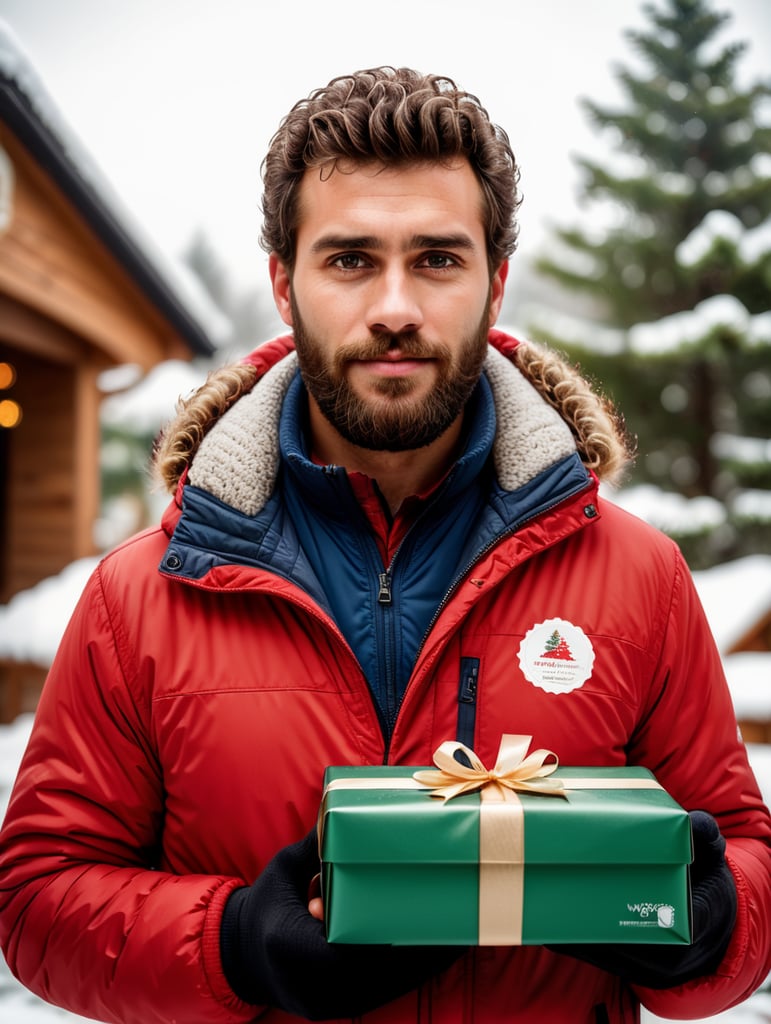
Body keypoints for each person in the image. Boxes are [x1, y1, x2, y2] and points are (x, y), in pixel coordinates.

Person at [0, 66, 769, 1024]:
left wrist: (709, 923)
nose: (395, 307)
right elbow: (37, 899)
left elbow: (742, 854)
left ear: (494, 281)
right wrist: (234, 943)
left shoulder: (638, 575)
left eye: (438, 259)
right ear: (284, 283)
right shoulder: (142, 594)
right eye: (351, 259)